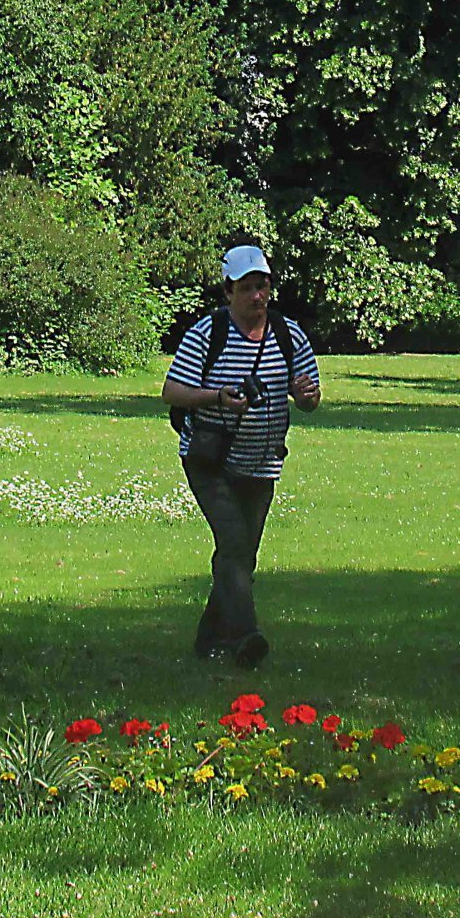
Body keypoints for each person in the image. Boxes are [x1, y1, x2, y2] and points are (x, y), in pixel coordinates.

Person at [161, 243, 321, 668]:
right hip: (209, 459)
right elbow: (171, 392)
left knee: (242, 554)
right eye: (247, 288)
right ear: (229, 291)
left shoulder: (288, 335)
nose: (257, 296)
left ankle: (208, 641)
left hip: (262, 460)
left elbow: (308, 398)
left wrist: (306, 396)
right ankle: (247, 637)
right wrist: (217, 396)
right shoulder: (207, 334)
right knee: (233, 542)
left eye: (263, 286)